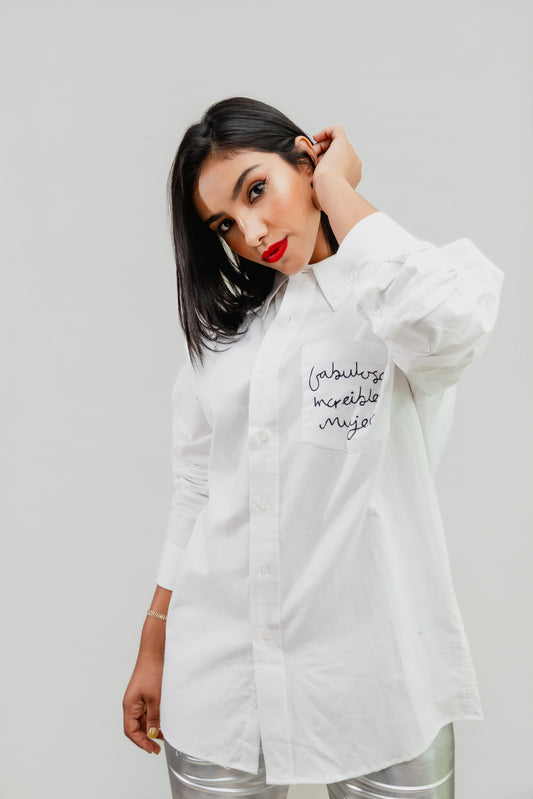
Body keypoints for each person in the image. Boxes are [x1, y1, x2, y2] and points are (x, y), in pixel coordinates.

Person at [123, 96, 503, 799]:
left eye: (256, 190)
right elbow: (197, 491)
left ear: (304, 159)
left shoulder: (392, 302)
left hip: (378, 686)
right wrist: (154, 645)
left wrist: (339, 188)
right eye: (224, 224)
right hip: (220, 683)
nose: (251, 231)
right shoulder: (227, 344)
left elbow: (450, 321)